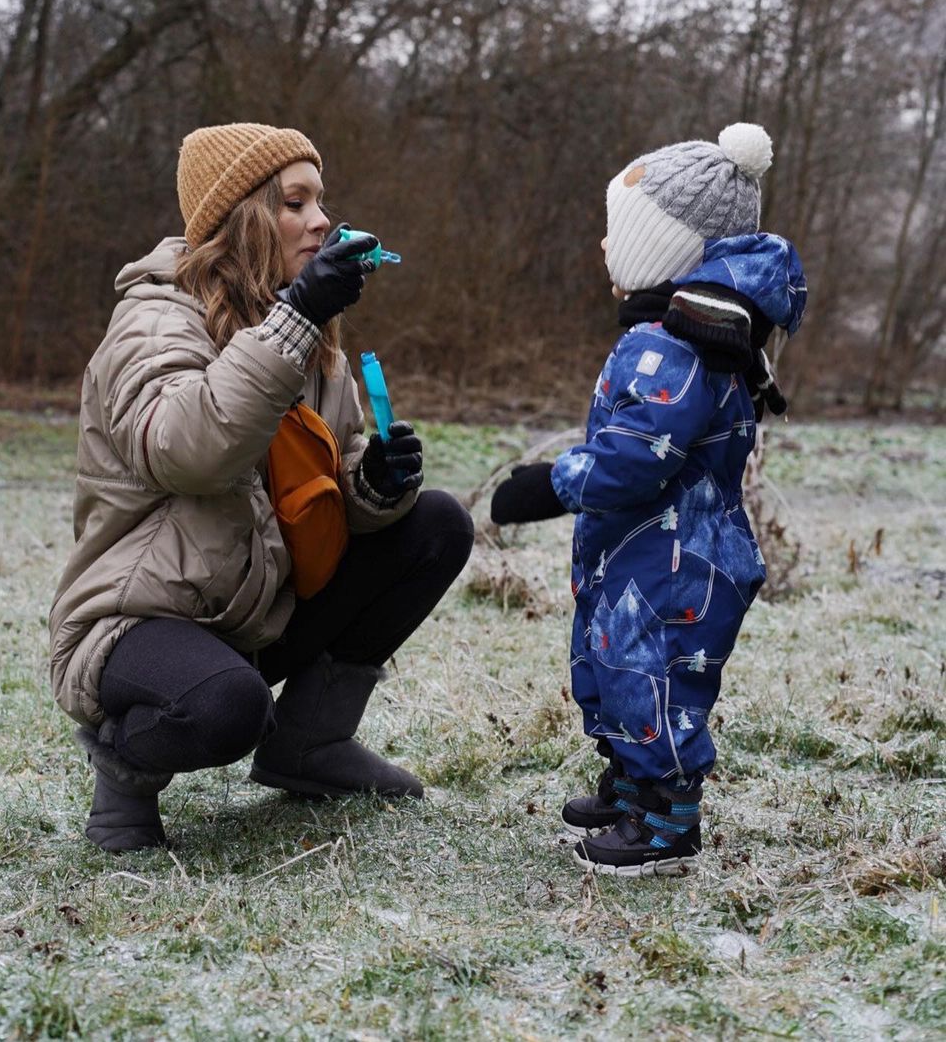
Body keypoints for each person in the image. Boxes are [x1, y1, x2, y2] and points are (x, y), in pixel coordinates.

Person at [50, 123, 474, 851]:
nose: (321, 222)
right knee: (225, 707)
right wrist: (298, 318)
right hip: (139, 619)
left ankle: (310, 743)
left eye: (321, 202)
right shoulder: (154, 320)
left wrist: (371, 486)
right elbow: (187, 452)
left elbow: (318, 480)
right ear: (240, 218)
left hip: (257, 606)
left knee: (434, 523)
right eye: (295, 203)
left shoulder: (306, 330)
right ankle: (125, 767)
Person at [491, 123, 806, 877]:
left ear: (662, 249)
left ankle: (667, 821)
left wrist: (550, 484)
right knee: (614, 666)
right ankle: (633, 790)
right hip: (648, 552)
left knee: (652, 679)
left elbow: (638, 457)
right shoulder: (678, 335)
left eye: (616, 235)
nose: (604, 249)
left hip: (676, 563)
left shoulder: (672, 345)